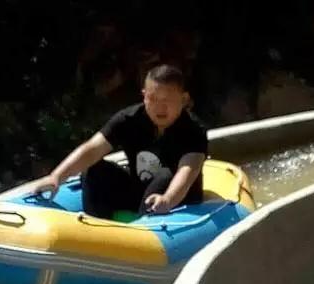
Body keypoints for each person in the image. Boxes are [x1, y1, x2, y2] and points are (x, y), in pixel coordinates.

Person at [32, 64, 208, 218]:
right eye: (153, 99)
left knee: (166, 175)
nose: (160, 108)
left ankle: (145, 228)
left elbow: (187, 171)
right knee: (94, 170)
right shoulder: (129, 118)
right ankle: (95, 226)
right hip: (139, 192)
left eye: (167, 100)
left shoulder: (194, 130)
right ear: (144, 96)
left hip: (177, 200)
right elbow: (93, 148)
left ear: (184, 99)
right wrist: (56, 177)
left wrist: (168, 199)